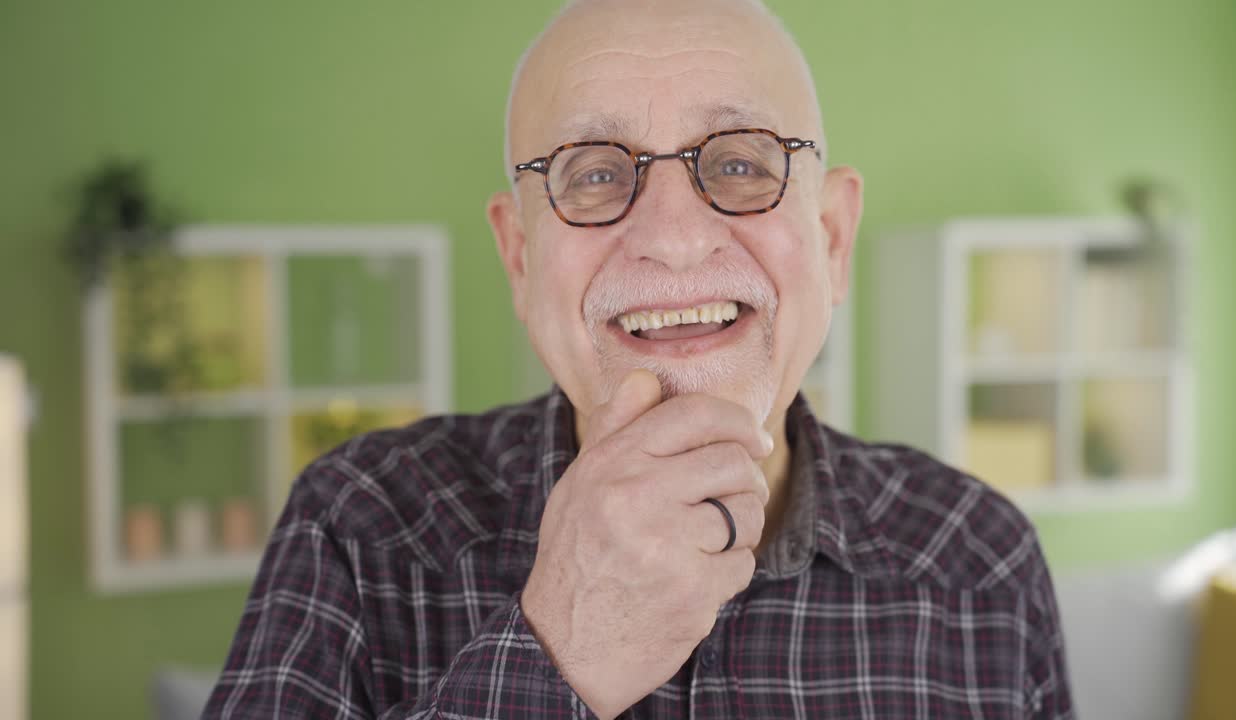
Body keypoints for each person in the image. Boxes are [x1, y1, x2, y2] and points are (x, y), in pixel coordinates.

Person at [203, 1, 1074, 718]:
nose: (674, 239)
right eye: (592, 174)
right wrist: (563, 648)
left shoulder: (980, 563)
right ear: (519, 259)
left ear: (833, 238)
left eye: (739, 161)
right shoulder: (360, 526)